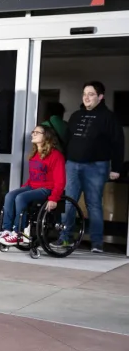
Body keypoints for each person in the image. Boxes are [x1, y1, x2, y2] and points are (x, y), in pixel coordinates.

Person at [58, 81, 125, 253]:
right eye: (85, 94)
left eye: (91, 94)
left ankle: (96, 243)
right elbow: (66, 141)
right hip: (72, 165)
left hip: (96, 166)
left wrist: (116, 168)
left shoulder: (108, 117)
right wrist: (63, 161)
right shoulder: (76, 115)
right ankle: (64, 239)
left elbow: (118, 143)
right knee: (68, 203)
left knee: (93, 204)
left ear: (100, 97)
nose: (86, 97)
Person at [0, 125, 66, 245]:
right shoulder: (34, 154)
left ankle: (19, 233)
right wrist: (23, 188)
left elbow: (60, 180)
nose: (33, 134)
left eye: (37, 132)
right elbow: (33, 177)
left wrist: (54, 198)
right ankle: (6, 230)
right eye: (33, 132)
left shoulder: (56, 156)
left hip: (47, 188)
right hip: (33, 186)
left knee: (21, 198)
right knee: (10, 196)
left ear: (46, 137)